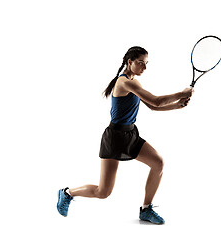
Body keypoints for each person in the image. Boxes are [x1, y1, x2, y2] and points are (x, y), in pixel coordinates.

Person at [57, 46, 193, 224]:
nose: (144, 67)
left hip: (131, 135)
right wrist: (181, 94)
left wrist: (177, 105)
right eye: (141, 63)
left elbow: (152, 106)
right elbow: (156, 100)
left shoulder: (134, 81)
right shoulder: (124, 82)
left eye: (146, 64)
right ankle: (67, 193)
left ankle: (146, 209)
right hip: (114, 138)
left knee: (158, 163)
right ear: (130, 62)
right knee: (103, 192)